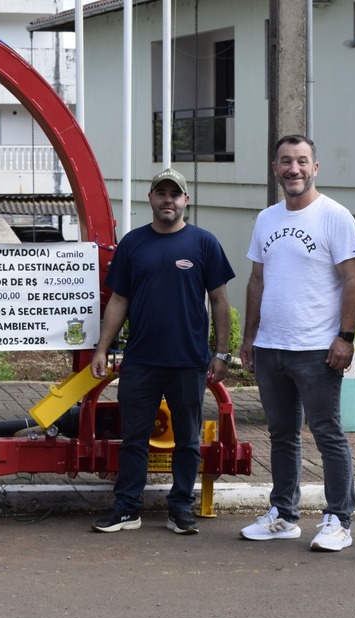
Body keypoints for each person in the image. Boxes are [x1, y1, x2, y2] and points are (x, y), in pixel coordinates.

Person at [90, 168, 235, 535]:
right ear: (151, 198)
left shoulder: (204, 243)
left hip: (188, 362)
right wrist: (102, 349)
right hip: (140, 362)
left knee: (187, 442)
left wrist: (221, 353)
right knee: (133, 440)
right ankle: (127, 508)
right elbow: (119, 299)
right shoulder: (133, 244)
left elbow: (219, 300)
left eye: (176, 194)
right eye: (161, 193)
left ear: (186, 200)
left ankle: (180, 508)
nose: (168, 199)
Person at [238, 134, 355, 551]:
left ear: (315, 167)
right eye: (285, 161)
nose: (294, 169)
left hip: (317, 348)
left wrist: (346, 337)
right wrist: (250, 336)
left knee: (327, 432)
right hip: (272, 347)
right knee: (282, 434)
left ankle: (339, 519)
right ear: (275, 168)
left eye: (302, 161)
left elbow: (353, 280)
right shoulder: (266, 219)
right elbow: (257, 280)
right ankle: (284, 515)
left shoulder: (335, 216)